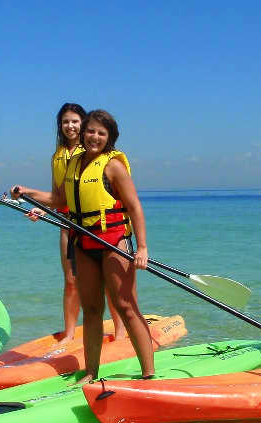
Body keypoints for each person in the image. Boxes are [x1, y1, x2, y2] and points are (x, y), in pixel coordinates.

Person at [12, 109, 156, 382]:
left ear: (109, 138)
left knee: (126, 305)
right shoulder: (73, 165)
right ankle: (91, 372)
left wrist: (143, 248)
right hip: (83, 243)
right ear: (83, 132)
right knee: (91, 310)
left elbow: (135, 207)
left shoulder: (113, 166)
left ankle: (148, 374)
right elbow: (58, 200)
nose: (95, 137)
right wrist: (28, 193)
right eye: (91, 131)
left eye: (102, 133)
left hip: (114, 242)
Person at [21, 103, 126, 343]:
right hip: (67, 222)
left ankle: (120, 331)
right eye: (65, 121)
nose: (70, 126)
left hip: (96, 226)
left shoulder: (92, 150)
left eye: (75, 121)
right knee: (70, 280)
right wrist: (40, 207)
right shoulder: (58, 157)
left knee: (109, 281)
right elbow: (58, 197)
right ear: (60, 125)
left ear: (84, 124)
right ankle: (69, 333)